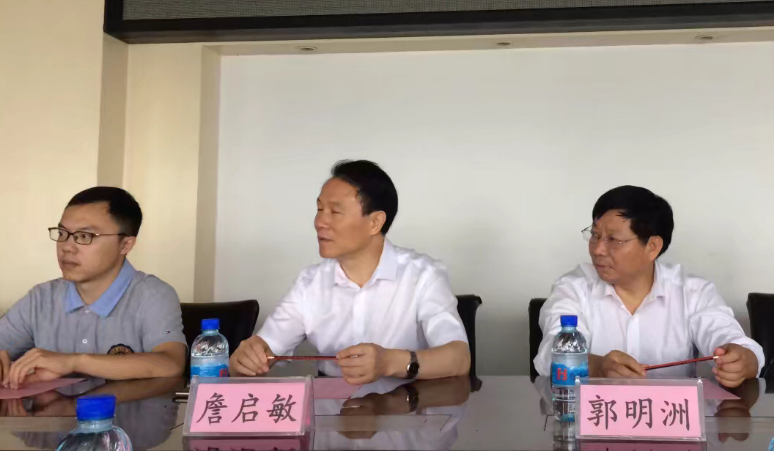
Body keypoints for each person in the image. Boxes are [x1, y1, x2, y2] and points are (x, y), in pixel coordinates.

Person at [230, 160, 470, 384]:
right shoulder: (310, 283)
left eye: (335, 212)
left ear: (375, 222)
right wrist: (246, 359)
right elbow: (266, 347)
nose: (319, 222)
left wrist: (389, 362)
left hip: (406, 406)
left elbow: (459, 359)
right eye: (319, 209)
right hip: (332, 408)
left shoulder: (422, 275)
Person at [534, 186, 763, 388]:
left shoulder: (692, 291)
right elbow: (547, 357)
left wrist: (744, 361)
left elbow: (733, 342)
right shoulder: (573, 287)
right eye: (595, 235)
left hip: (672, 419)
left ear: (652, 246)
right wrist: (596, 366)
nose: (597, 250)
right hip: (595, 416)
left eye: (613, 240)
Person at [0, 187, 186, 388]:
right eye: (62, 233)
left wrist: (73, 362)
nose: (67, 247)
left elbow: (171, 364)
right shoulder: (41, 299)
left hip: (124, 410)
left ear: (125, 245)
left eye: (84, 236)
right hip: (52, 409)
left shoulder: (152, 295)